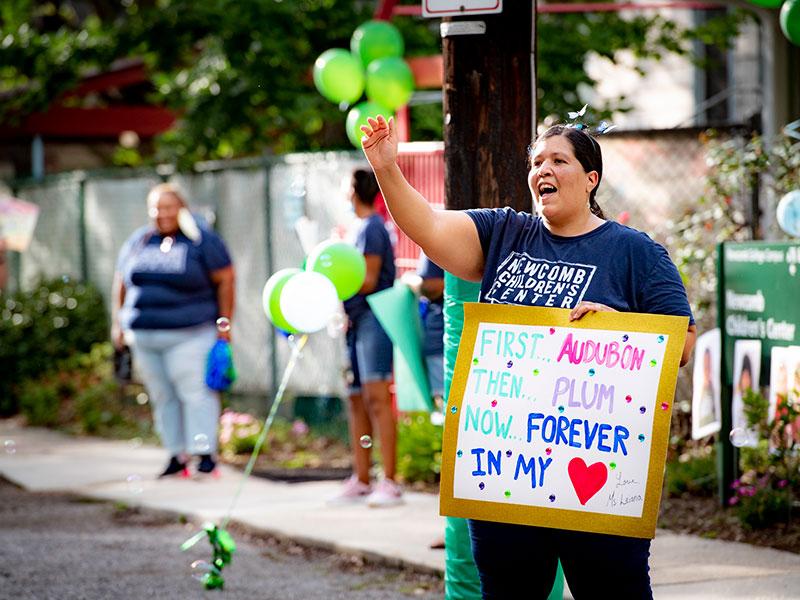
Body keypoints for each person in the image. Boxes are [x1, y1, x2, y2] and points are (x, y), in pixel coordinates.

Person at [358, 114, 697, 598]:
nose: (544, 169)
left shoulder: (635, 253)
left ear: (591, 178)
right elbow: (428, 225)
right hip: (507, 480)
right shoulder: (504, 234)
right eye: (537, 162)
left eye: (559, 160)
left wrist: (615, 327)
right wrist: (387, 168)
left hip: (598, 485)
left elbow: (682, 345)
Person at [112, 183, 235, 479]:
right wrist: (118, 323)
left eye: (168, 207)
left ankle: (204, 455)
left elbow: (227, 278)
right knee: (162, 396)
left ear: (182, 209)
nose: (162, 213)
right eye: (156, 207)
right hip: (144, 334)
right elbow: (121, 281)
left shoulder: (201, 240)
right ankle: (175, 454)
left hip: (191, 332)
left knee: (196, 392)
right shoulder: (139, 241)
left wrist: (225, 324)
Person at [329, 169, 402, 508]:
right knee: (356, 398)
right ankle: (361, 478)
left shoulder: (372, 228)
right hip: (354, 320)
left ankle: (389, 480)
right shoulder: (356, 229)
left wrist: (330, 281)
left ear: (355, 189)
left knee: (376, 398)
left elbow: (369, 280)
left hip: (373, 318)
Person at [696, 347, 717, 428]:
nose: (707, 371)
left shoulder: (715, 389)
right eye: (705, 367)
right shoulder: (700, 392)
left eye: (709, 366)